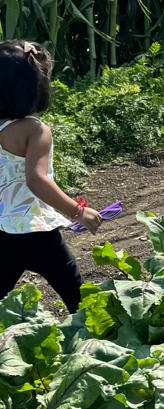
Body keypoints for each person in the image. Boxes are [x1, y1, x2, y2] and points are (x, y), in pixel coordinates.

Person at [0, 40, 101, 312]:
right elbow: (37, 180)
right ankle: (96, 339)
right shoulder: (35, 131)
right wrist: (78, 212)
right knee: (75, 292)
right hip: (34, 229)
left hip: (2, 228)